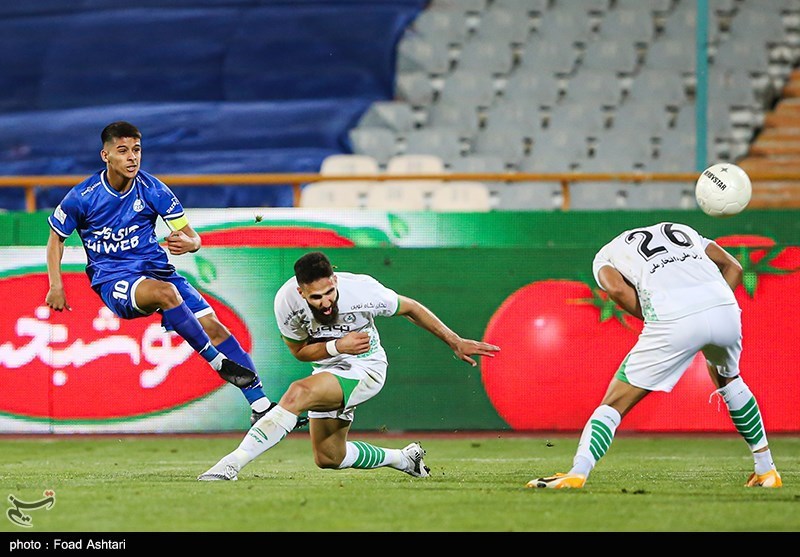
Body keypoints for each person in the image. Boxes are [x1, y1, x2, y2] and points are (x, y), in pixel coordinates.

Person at [45, 121, 286, 426]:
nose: (132, 157)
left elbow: (192, 237)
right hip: (114, 279)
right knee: (165, 294)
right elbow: (56, 238)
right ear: (105, 155)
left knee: (216, 329)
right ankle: (216, 362)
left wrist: (190, 243)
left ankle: (261, 406)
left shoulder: (153, 189)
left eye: (137, 150)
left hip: (158, 271)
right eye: (123, 151)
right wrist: (56, 285)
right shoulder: (83, 197)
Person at [198, 250, 501, 481]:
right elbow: (299, 352)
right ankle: (403, 459)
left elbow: (410, 307)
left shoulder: (363, 291)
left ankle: (231, 464)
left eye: (329, 292)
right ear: (301, 292)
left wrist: (454, 340)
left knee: (297, 392)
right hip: (329, 369)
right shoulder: (286, 304)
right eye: (316, 297)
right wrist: (335, 347)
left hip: (367, 368)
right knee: (329, 456)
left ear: (335, 280)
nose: (326, 302)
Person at [529, 222, 781, 489]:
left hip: (672, 318)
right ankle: (767, 470)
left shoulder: (606, 254)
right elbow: (735, 267)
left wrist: (658, 318)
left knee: (614, 403)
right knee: (730, 381)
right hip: (725, 309)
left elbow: (616, 289)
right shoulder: (681, 229)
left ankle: (577, 473)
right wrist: (710, 308)